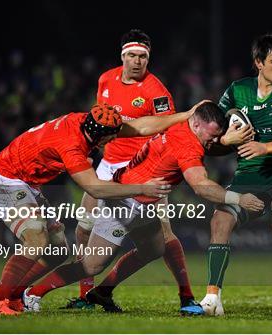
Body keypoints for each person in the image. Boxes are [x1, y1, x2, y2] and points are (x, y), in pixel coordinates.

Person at [21, 102, 265, 313]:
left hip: (144, 198)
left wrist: (225, 140)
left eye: (215, 137)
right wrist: (238, 199)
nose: (212, 142)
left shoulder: (183, 128)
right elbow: (201, 187)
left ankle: (103, 292)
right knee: (91, 265)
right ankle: (33, 293)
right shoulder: (188, 146)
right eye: (210, 137)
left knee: (155, 248)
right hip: (125, 201)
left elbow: (203, 143)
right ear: (197, 125)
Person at [0, 102, 198, 315]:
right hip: (5, 180)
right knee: (36, 239)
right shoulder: (72, 147)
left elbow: (140, 127)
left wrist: (186, 114)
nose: (115, 139)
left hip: (27, 183)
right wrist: (143, 188)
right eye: (112, 136)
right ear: (101, 136)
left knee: (59, 250)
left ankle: (15, 295)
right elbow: (97, 190)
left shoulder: (88, 121)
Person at [70, 29, 203, 315]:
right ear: (122, 56)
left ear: (148, 58)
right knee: (83, 228)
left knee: (165, 237)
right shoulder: (106, 79)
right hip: (107, 165)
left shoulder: (156, 91)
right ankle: (86, 294)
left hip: (144, 170)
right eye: (132, 55)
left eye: (143, 56)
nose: (137, 61)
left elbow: (170, 126)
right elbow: (100, 120)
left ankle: (187, 296)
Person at [197, 34, 272, 318]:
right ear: (258, 63)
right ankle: (212, 299)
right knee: (220, 220)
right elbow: (214, 141)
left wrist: (267, 147)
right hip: (247, 176)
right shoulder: (237, 91)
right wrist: (228, 140)